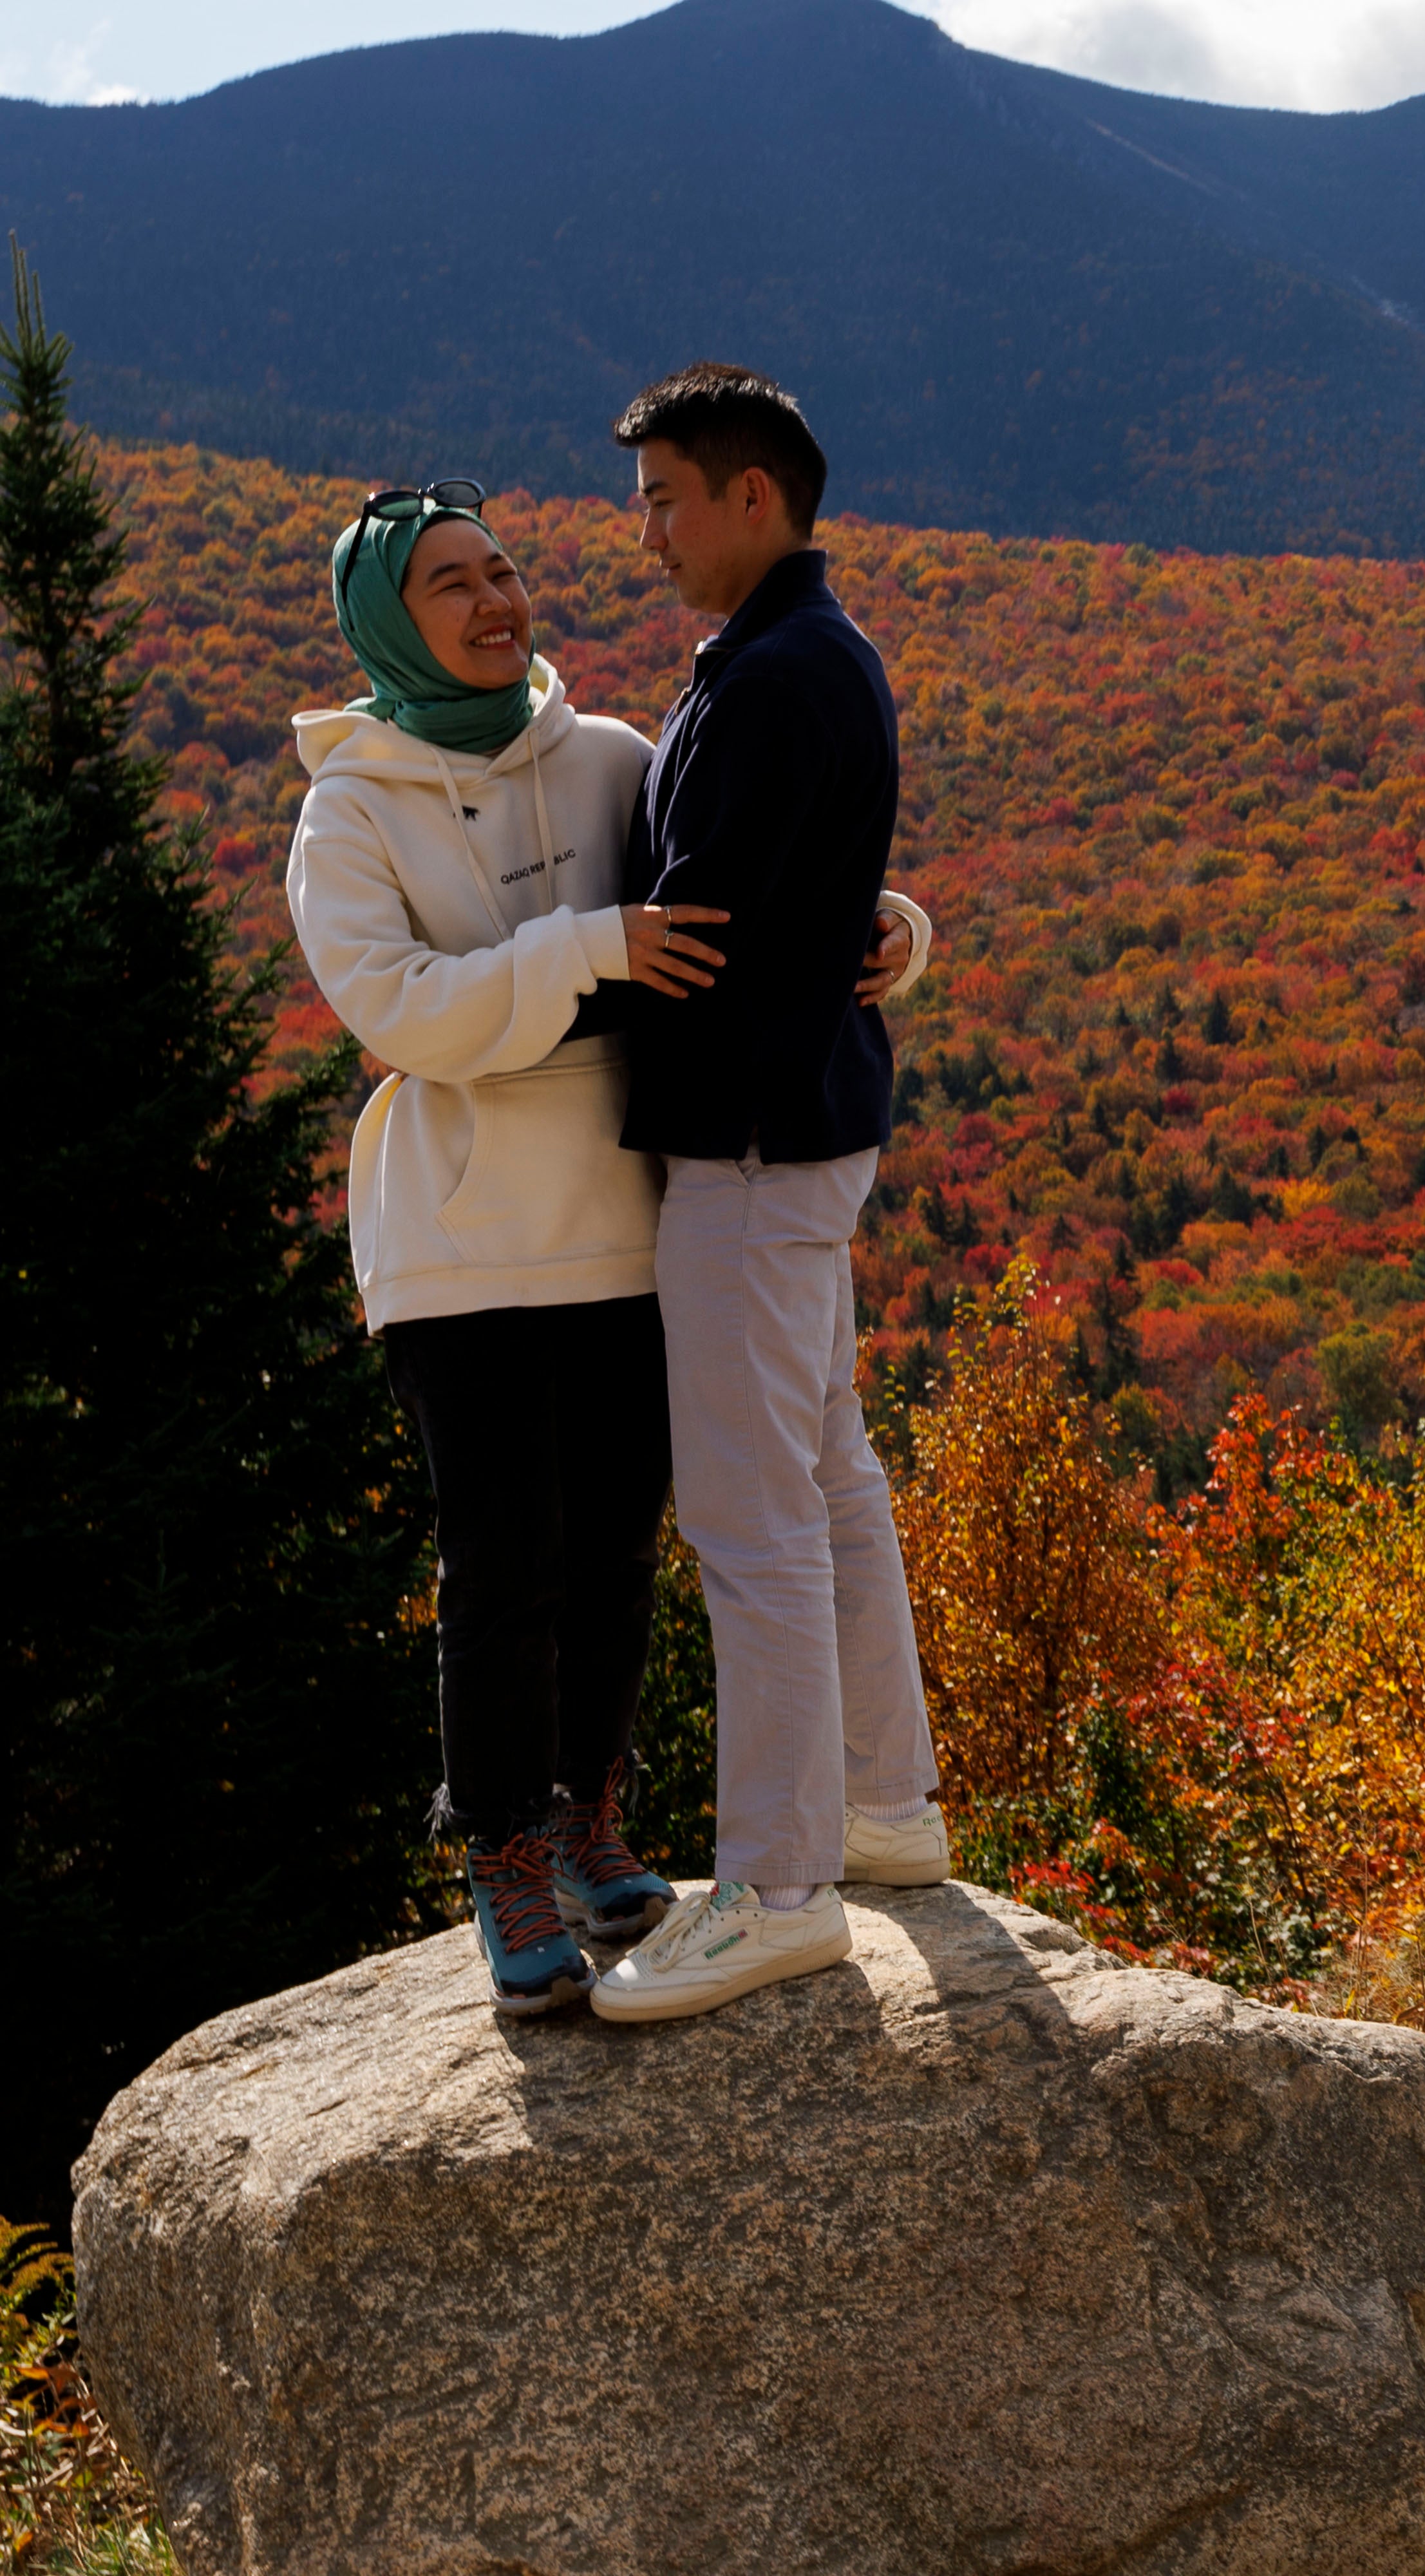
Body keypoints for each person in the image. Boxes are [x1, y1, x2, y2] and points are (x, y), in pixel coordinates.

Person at [284, 482, 927, 2016]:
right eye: (452, 583)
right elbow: (403, 1014)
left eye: (503, 568)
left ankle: (585, 1815)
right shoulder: (350, 810)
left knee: (618, 1557)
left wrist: (891, 922)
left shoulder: (613, 756)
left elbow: (751, 881)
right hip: (464, 1242)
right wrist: (590, 947)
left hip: (633, 1217)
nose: (497, 598)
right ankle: (502, 1849)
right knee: (502, 1559)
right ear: (388, 621)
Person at [586, 364, 953, 2026]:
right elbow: (805, 891)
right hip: (809, 1123)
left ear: (753, 496)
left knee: (752, 1513)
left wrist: (499, 993)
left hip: (746, 1143)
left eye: (665, 495)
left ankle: (781, 1884)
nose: (645, 528)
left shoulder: (776, 673)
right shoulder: (811, 653)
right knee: (826, 1471)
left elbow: (701, 929)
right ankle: (886, 1810)